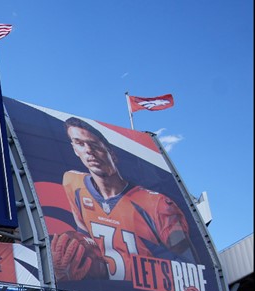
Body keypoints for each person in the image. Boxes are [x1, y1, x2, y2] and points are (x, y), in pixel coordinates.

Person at [52, 117, 193, 282]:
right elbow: (85, 234)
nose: (88, 150)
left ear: (112, 153)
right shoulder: (72, 182)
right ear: (74, 149)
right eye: (80, 143)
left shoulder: (158, 205)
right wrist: (81, 258)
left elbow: (191, 270)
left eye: (95, 144)